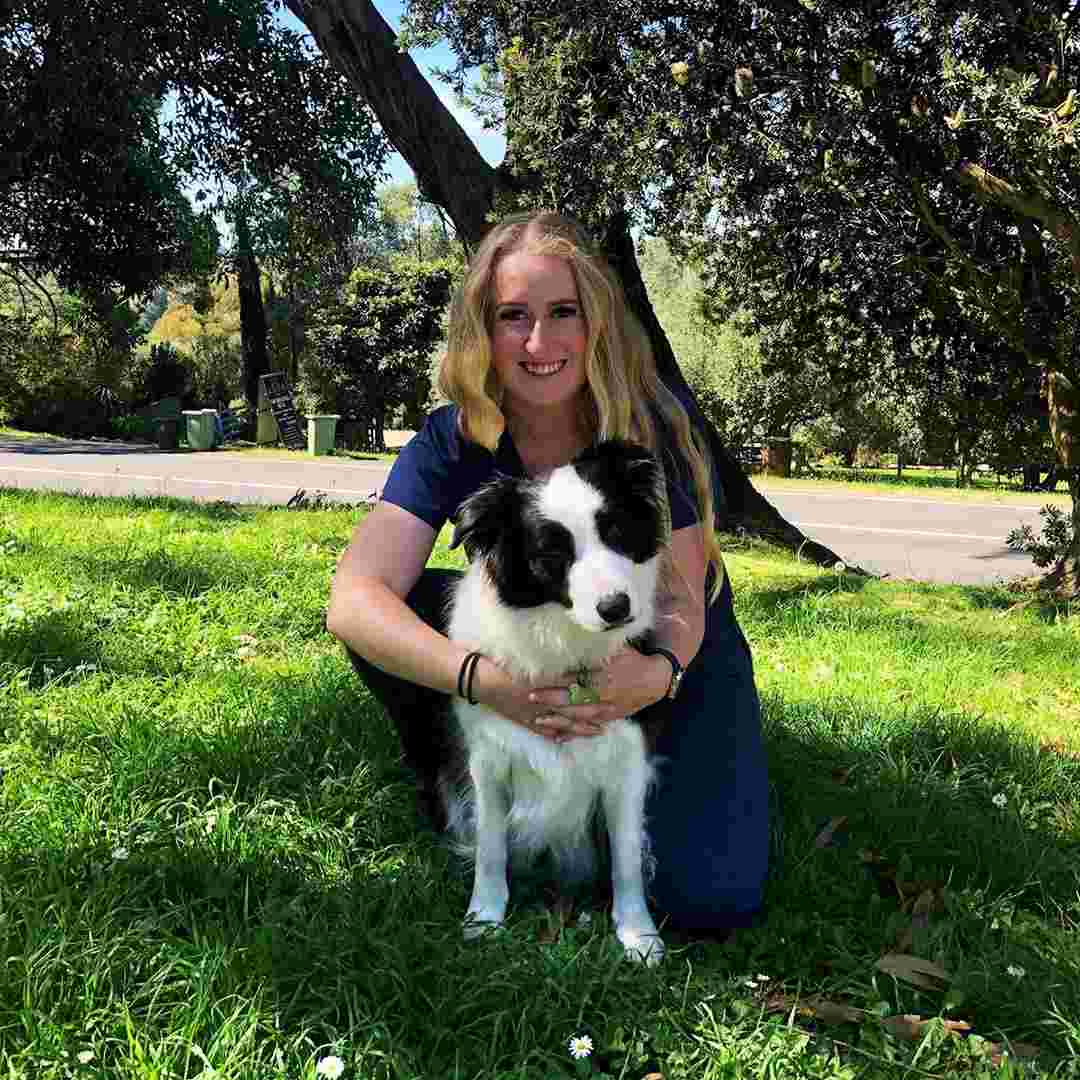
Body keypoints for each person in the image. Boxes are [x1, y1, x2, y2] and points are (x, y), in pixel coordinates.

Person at [326, 210, 770, 936]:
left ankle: (697, 760)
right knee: (397, 605)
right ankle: (448, 767)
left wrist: (653, 675)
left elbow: (685, 593)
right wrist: (488, 683)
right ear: (484, 332)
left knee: (709, 897)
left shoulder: (646, 425)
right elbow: (353, 599)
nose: (539, 342)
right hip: (531, 636)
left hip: (667, 645)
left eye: (562, 312)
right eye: (513, 317)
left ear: (595, 321)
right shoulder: (456, 436)